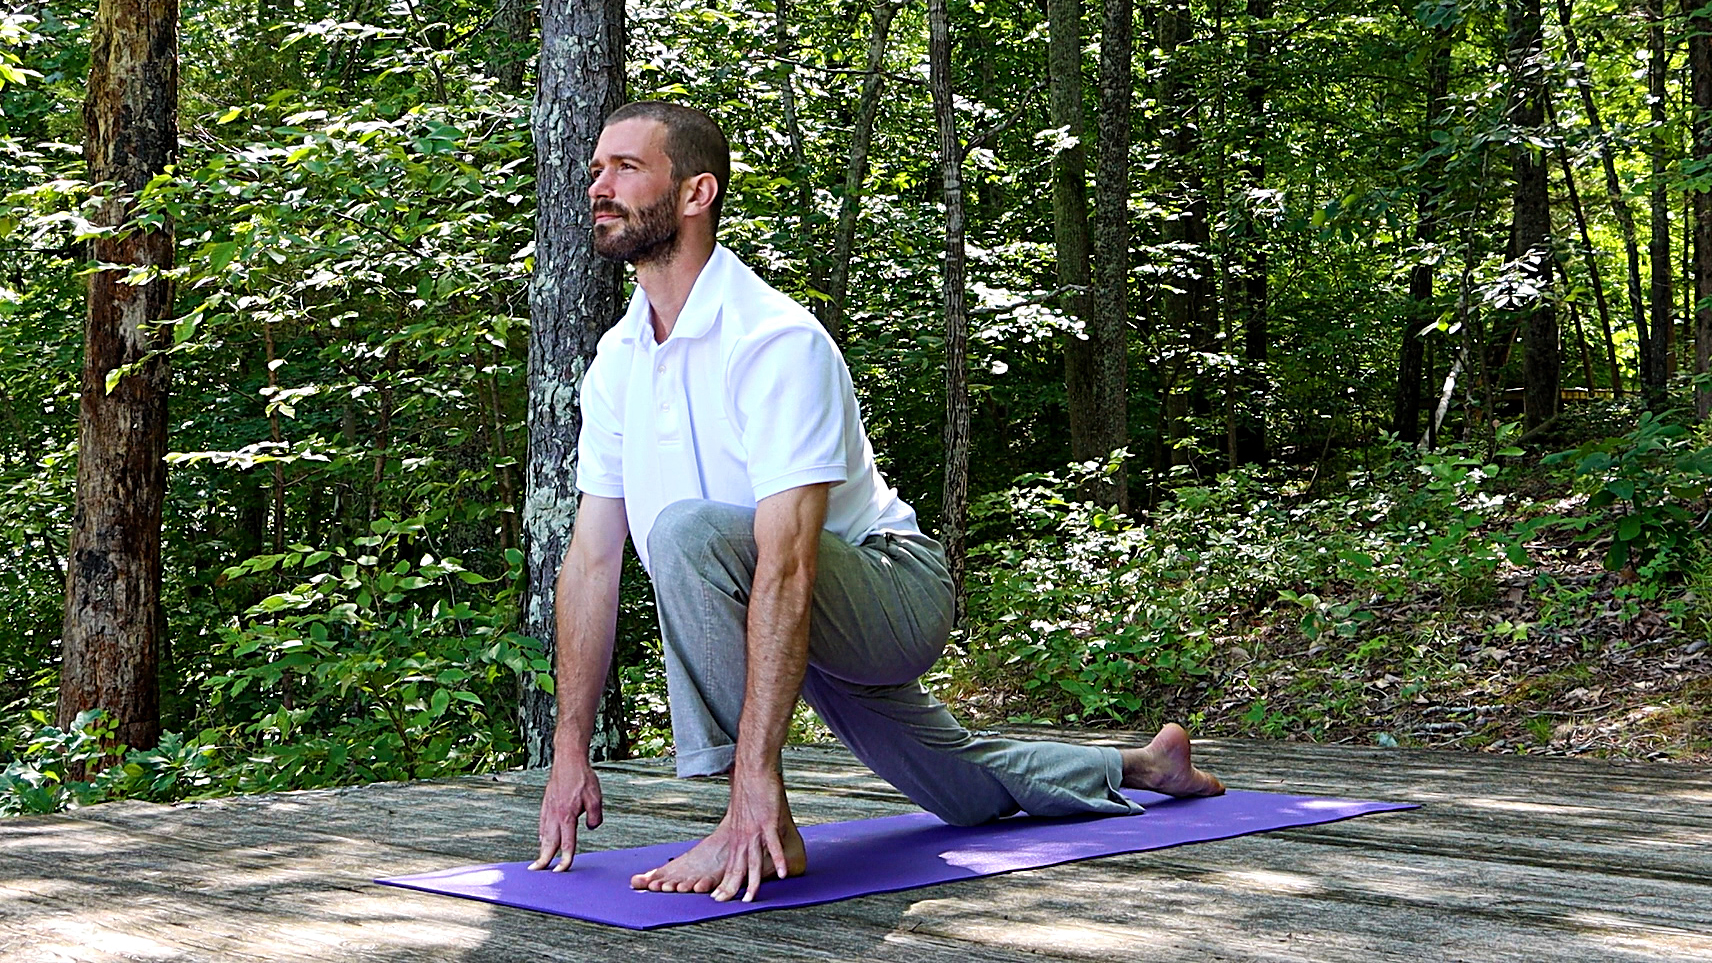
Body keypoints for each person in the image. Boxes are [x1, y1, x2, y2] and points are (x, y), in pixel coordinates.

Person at [528, 101, 1224, 903]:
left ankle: (754, 818)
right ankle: (1143, 765)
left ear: (696, 194)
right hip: (784, 611)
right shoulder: (617, 361)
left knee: (683, 531)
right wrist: (568, 746)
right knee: (960, 790)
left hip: (888, 588)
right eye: (594, 171)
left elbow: (787, 560)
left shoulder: (773, 340)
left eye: (625, 168)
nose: (597, 186)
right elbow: (590, 562)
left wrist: (755, 783)